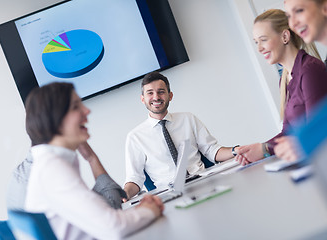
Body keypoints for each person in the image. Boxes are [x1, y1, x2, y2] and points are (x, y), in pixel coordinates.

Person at [24, 82, 164, 240]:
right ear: (55, 118)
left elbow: (103, 217)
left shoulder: (51, 162)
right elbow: (113, 227)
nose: (87, 110)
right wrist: (150, 210)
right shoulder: (52, 168)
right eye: (76, 107)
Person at [123, 71, 242, 200]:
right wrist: (124, 195)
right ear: (142, 99)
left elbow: (212, 151)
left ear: (170, 95)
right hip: (170, 195)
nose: (156, 97)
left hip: (204, 183)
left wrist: (237, 150)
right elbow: (135, 178)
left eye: (161, 92)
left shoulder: (188, 119)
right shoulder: (135, 137)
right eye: (150, 93)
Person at [235, 9, 327, 165]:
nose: (259, 48)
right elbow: (287, 132)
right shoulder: (284, 79)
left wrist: (265, 149)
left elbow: (316, 132)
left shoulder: (310, 70)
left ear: (285, 36)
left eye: (263, 40)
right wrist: (260, 148)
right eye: (256, 42)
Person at [272, 0, 327, 161]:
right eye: (289, 16)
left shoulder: (311, 68)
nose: (293, 23)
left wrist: (304, 140)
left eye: (299, 11)